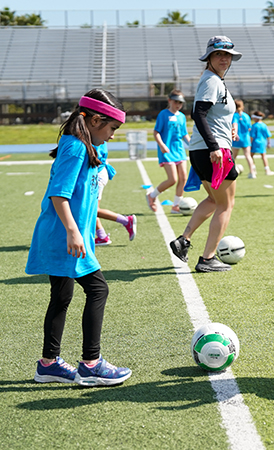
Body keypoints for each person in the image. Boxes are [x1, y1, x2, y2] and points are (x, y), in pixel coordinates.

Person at [26, 88, 132, 386]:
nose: (112, 135)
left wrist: (105, 166)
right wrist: (74, 232)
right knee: (98, 290)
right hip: (64, 236)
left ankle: (48, 364)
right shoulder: (74, 148)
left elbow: (99, 167)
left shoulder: (88, 144)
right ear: (95, 120)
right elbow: (59, 194)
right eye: (112, 128)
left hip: (66, 235)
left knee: (61, 297)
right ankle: (91, 364)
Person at [169, 36, 241, 273]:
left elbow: (213, 115)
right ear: (209, 57)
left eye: (227, 55)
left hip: (203, 150)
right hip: (213, 151)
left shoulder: (215, 80)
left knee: (213, 200)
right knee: (226, 205)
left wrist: (229, 129)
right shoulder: (211, 80)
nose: (224, 58)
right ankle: (208, 258)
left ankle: (184, 240)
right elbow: (198, 114)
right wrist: (214, 146)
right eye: (218, 54)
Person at [149, 90, 191, 214]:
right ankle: (152, 195)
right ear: (169, 101)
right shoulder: (163, 114)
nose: (178, 105)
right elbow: (156, 132)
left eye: (180, 103)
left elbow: (184, 134)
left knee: (183, 178)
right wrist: (162, 145)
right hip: (167, 151)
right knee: (172, 179)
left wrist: (192, 145)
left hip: (179, 150)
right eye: (176, 102)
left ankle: (176, 206)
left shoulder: (182, 116)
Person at [94, 140, 136, 245]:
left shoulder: (94, 135)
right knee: (92, 209)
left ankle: (126, 221)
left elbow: (95, 157)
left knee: (92, 209)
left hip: (97, 175)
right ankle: (102, 236)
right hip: (99, 173)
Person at [232, 99, 257, 178]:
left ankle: (230, 172)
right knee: (248, 156)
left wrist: (235, 133)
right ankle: (252, 172)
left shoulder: (234, 115)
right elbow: (249, 128)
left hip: (237, 138)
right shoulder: (246, 116)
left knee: (233, 157)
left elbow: (235, 124)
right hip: (246, 138)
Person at [248, 110, 274, 175]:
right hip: (262, 143)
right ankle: (267, 170)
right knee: (263, 156)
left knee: (251, 156)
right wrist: (269, 143)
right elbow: (268, 135)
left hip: (254, 143)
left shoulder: (254, 126)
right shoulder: (264, 125)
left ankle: (253, 170)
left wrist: (250, 144)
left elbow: (252, 136)